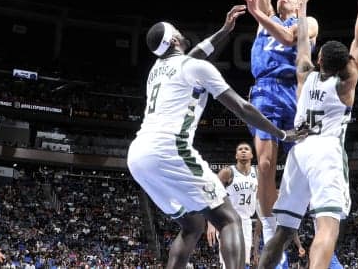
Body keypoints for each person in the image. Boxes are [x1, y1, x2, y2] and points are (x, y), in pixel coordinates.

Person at [127, 17, 306, 269]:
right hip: (168, 149)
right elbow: (243, 108)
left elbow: (195, 54)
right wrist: (282, 134)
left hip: (137, 156)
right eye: (178, 31)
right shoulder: (195, 68)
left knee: (192, 225)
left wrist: (224, 31)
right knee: (229, 219)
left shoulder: (156, 70)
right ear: (175, 40)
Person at [255, 0, 358, 269]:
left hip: (299, 151)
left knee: (283, 232)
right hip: (326, 151)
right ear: (346, 65)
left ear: (319, 59)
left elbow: (301, 43)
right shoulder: (346, 83)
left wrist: (304, 5)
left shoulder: (304, 74)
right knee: (327, 227)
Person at [247, 0, 320, 259]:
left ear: (299, 0)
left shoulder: (308, 23)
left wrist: (264, 14)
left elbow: (291, 39)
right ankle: (270, 232)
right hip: (264, 91)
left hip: (294, 93)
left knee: (302, 165)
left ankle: (309, 229)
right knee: (264, 164)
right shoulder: (266, 20)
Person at [206, 142, 262, 269]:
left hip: (246, 221)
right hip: (227, 221)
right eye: (240, 149)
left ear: (252, 155)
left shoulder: (257, 173)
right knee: (229, 263)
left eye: (246, 149)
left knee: (244, 263)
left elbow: (259, 198)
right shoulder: (228, 172)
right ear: (236, 155)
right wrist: (211, 223)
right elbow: (211, 192)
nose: (243, 151)